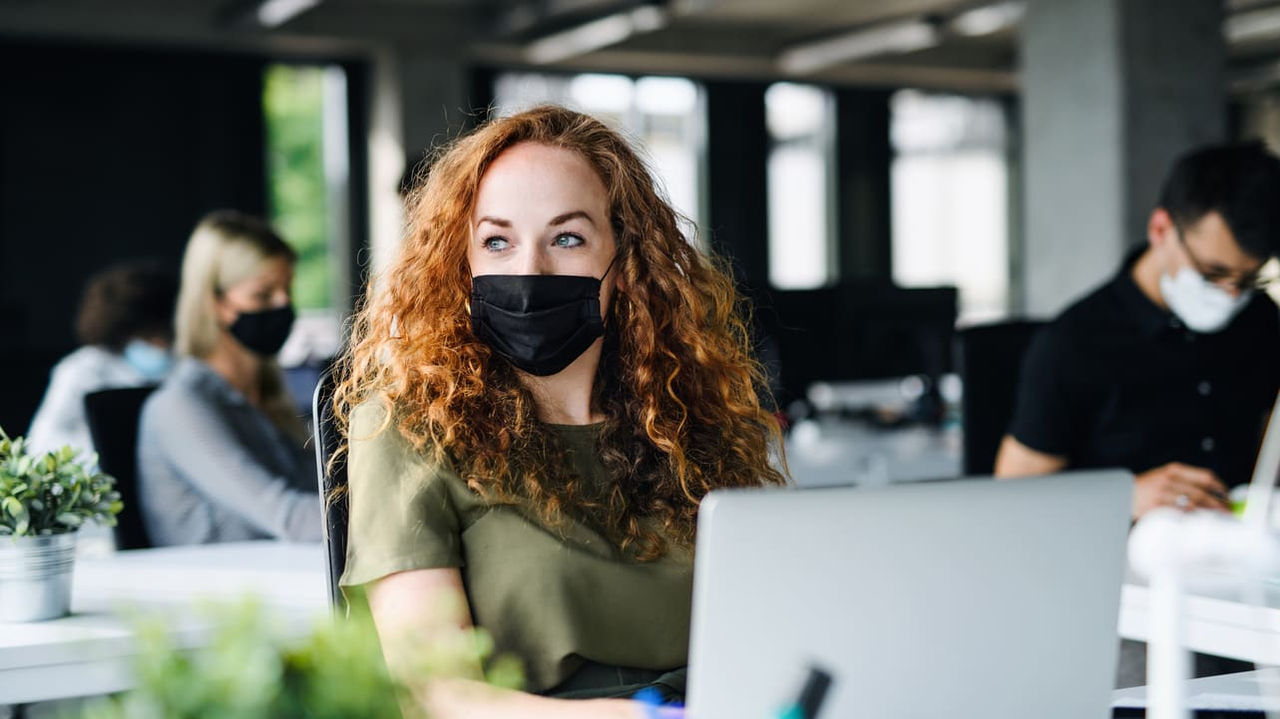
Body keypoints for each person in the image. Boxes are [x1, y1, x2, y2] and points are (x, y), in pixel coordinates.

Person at [334, 105, 787, 718]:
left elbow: (770, 634)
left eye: (567, 238)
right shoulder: (409, 427)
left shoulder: (691, 421)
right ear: (460, 264)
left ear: (624, 264)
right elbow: (434, 696)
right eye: (497, 241)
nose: (529, 270)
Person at [996, 142, 1280, 520]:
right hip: (1118, 559)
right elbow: (1013, 498)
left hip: (1242, 551)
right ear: (1161, 229)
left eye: (1248, 279)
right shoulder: (1072, 344)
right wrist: (1123, 497)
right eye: (1213, 273)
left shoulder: (1260, 318)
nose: (1231, 295)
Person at [137, 210, 322, 546]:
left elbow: (320, 492)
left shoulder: (270, 398)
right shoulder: (178, 407)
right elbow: (290, 518)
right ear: (215, 302)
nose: (284, 305)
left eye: (287, 290)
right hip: (222, 594)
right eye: (263, 295)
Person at [27, 261, 178, 457]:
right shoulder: (83, 369)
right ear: (126, 330)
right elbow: (42, 444)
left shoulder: (183, 366)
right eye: (149, 336)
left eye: (165, 335)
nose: (160, 345)